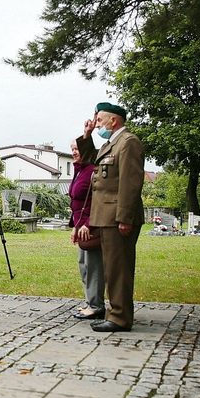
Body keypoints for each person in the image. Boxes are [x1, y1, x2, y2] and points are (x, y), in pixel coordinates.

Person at [76, 102, 145, 332]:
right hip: (106, 217)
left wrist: (125, 217)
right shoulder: (111, 144)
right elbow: (89, 160)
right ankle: (115, 313)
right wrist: (86, 135)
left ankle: (120, 318)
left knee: (119, 269)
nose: (97, 125)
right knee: (112, 268)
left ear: (113, 120)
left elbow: (130, 183)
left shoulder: (128, 143)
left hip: (117, 217)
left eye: (100, 121)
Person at [68, 139, 105, 320]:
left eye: (77, 148)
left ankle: (97, 306)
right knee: (84, 266)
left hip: (91, 226)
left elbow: (98, 201)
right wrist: (75, 226)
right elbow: (76, 203)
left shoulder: (92, 171)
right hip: (80, 226)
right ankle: (91, 301)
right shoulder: (79, 170)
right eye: (72, 149)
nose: (75, 152)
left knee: (93, 267)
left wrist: (88, 224)